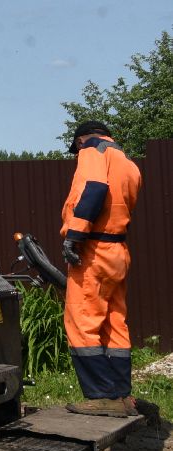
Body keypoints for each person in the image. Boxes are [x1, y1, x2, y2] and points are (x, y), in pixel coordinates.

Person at [59, 121, 142, 417]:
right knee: (114, 322)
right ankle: (121, 395)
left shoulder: (92, 151)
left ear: (81, 140)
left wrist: (75, 235)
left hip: (93, 250)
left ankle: (101, 396)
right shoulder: (126, 161)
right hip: (118, 250)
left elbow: (93, 189)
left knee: (81, 321)